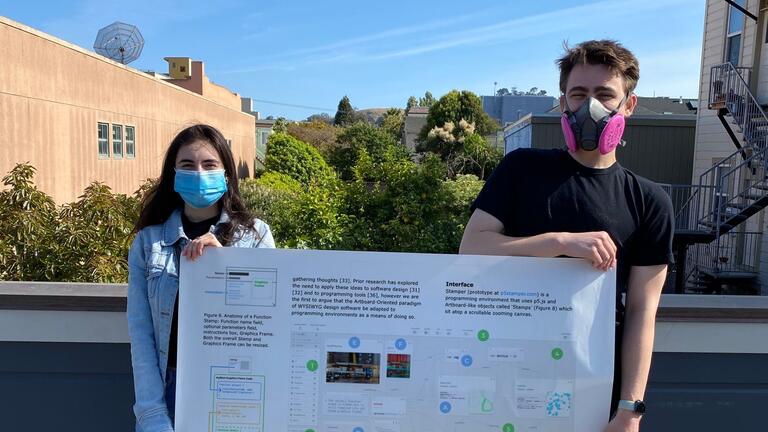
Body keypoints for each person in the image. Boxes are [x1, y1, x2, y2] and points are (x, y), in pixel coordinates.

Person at [459, 40, 673, 432]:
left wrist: (630, 410)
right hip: (501, 374)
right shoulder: (520, 169)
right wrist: (557, 243)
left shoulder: (649, 200)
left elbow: (643, 312)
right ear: (563, 103)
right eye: (579, 94)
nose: (590, 106)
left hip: (595, 391)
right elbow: (472, 249)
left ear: (629, 105)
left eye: (605, 95)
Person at [127, 124, 275, 431]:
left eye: (209, 164)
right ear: (173, 175)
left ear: (226, 174)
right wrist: (152, 412)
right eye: (187, 165)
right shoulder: (147, 242)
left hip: (236, 385)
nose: (198, 172)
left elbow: (268, 321)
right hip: (168, 389)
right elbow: (141, 335)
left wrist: (224, 264)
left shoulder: (256, 235)